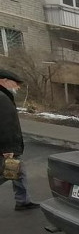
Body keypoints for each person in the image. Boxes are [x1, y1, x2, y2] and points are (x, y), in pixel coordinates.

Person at [0, 69, 40, 211]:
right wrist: (7, 149)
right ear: (4, 80)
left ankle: (22, 201)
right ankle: (23, 201)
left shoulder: (4, 96)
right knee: (7, 172)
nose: (17, 87)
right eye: (15, 83)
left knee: (18, 172)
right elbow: (5, 125)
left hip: (8, 146)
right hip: (7, 148)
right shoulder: (2, 98)